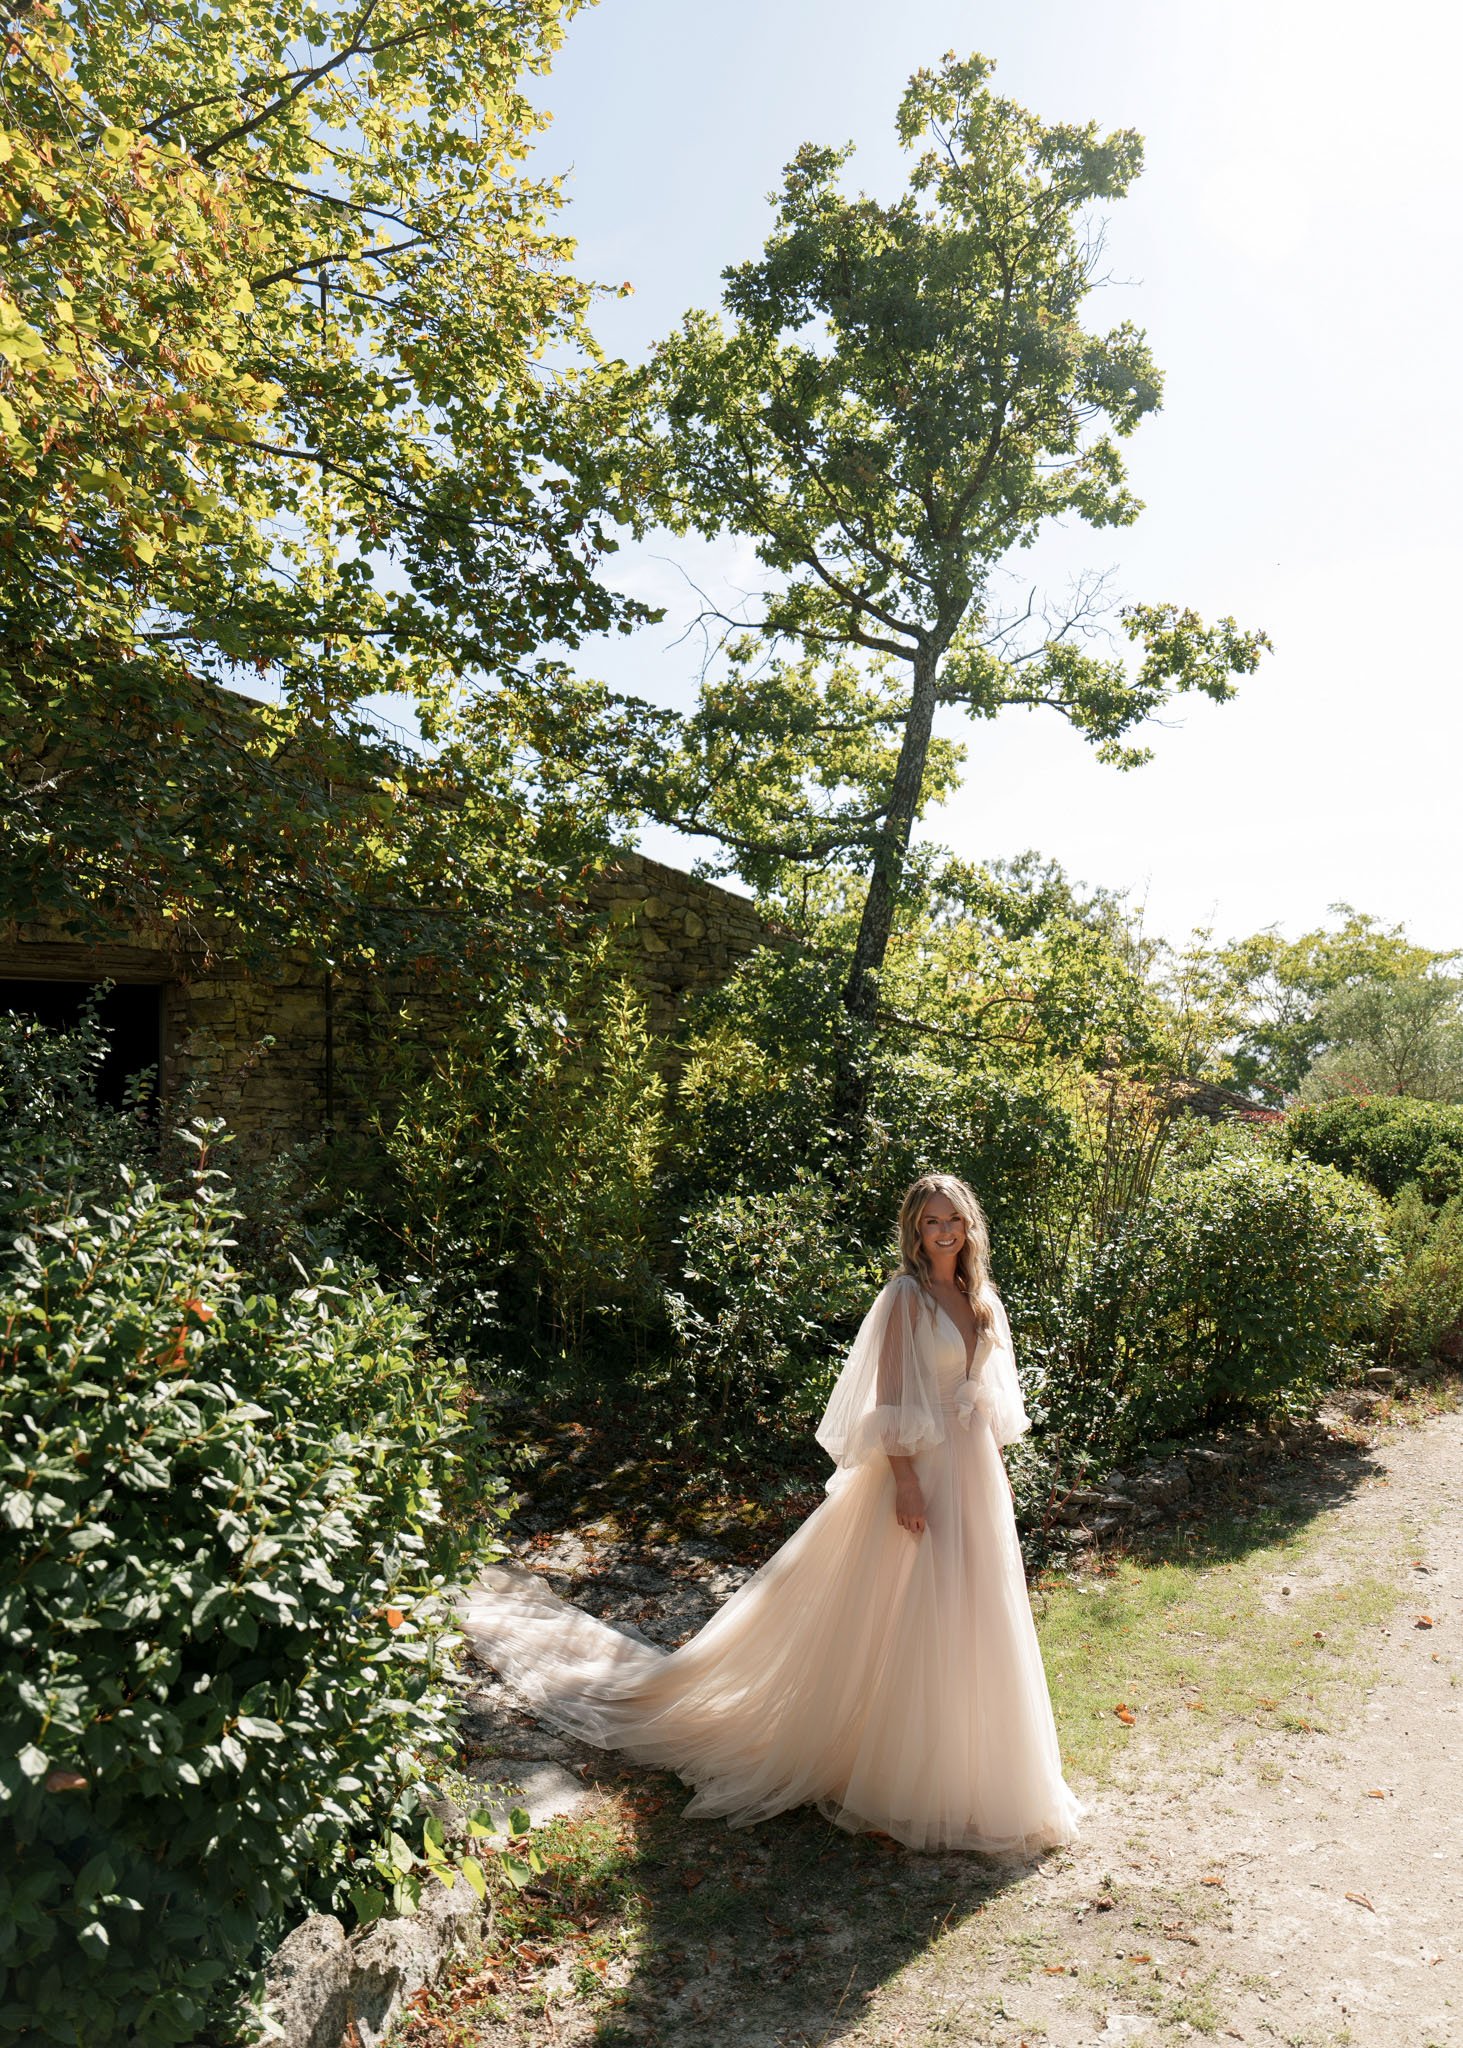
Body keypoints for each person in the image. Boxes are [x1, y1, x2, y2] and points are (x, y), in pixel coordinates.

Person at [455, 1172, 1081, 1854]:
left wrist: (991, 1475)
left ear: (968, 1226)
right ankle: (908, 1772)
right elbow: (891, 1396)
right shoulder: (904, 1298)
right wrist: (904, 1482)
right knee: (909, 1609)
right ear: (913, 1229)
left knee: (974, 1609)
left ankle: (978, 1766)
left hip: (972, 1472)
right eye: (930, 1221)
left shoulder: (977, 1297)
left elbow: (988, 1397)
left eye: (952, 1219)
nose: (943, 1231)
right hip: (920, 1471)